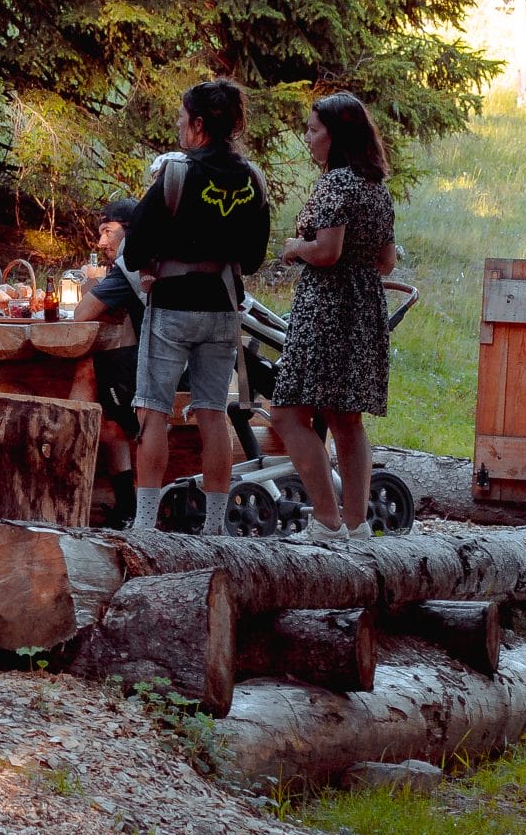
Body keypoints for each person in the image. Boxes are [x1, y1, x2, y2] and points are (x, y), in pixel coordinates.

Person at [124, 79, 271, 535]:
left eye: (183, 119)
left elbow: (132, 250)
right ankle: (214, 527)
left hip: (171, 308)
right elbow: (253, 257)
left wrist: (152, 265)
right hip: (223, 309)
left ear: (200, 124)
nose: (180, 127)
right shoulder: (251, 178)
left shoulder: (175, 174)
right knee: (212, 413)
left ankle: (146, 525)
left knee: (153, 410)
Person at [268, 93, 400, 538]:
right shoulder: (376, 186)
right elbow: (386, 261)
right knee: (347, 418)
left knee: (287, 415)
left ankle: (325, 520)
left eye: (313, 129)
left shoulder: (336, 183)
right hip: (363, 307)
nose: (307, 138)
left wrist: (294, 248)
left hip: (326, 309)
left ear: (335, 135)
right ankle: (357, 523)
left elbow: (326, 252)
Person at [73, 197, 144, 526]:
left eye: (108, 231)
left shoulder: (129, 265)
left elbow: (81, 314)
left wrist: (95, 284)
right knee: (107, 410)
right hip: (158, 359)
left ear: (128, 231)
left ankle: (78, 491)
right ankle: (127, 505)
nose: (101, 242)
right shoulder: (139, 261)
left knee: (92, 374)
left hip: (157, 367)